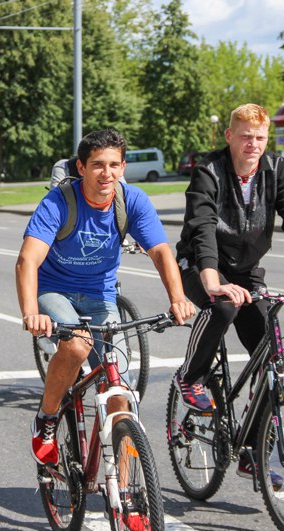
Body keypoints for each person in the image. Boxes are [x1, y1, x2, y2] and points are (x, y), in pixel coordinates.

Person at [174, 103, 284, 488]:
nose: (253, 144)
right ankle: (192, 376)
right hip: (199, 264)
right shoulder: (209, 172)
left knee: (271, 355)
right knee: (222, 306)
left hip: (248, 270)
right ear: (229, 136)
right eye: (246, 136)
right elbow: (201, 229)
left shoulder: (277, 169)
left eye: (260, 137)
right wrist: (212, 280)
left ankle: (252, 454)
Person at [16, 129, 195, 466]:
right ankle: (47, 419)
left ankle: (127, 499)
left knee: (119, 393)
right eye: (98, 165)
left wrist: (178, 297)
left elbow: (160, 251)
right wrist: (30, 313)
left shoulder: (133, 201)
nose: (106, 173)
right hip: (54, 289)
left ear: (123, 167)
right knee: (78, 344)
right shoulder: (59, 201)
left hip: (101, 294)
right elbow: (28, 260)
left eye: (114, 165)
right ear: (81, 167)